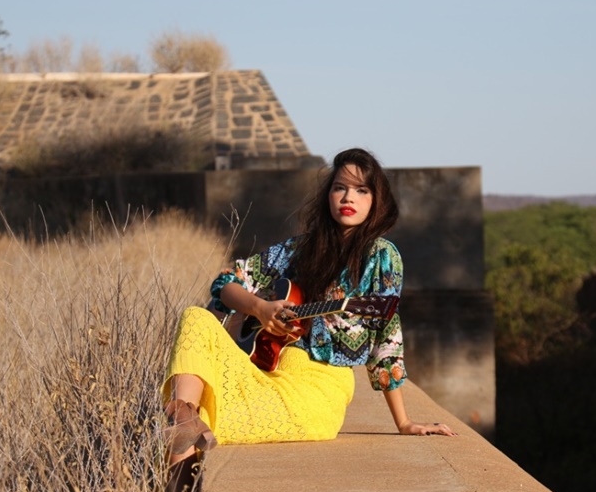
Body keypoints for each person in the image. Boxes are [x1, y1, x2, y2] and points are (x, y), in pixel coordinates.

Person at [160, 147, 456, 468]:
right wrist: (259, 308)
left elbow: (387, 339)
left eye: (361, 190)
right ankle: (183, 420)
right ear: (328, 195)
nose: (348, 197)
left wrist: (404, 422)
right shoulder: (298, 250)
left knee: (207, 415)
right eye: (340, 187)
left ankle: (179, 456)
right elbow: (225, 284)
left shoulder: (381, 255)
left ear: (376, 201)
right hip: (269, 373)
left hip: (317, 392)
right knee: (195, 317)